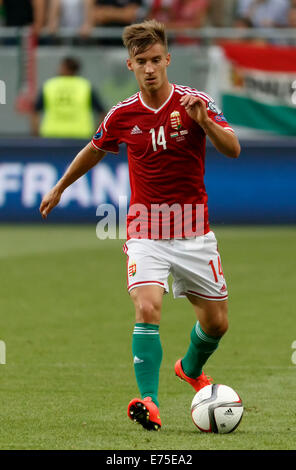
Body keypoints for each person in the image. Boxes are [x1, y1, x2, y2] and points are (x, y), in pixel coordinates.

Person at [39, 20, 240, 431]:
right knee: (147, 307)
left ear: (168, 59)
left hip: (193, 231)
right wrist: (60, 186)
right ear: (130, 65)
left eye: (155, 60)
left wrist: (204, 123)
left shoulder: (194, 102)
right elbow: (94, 150)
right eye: (140, 62)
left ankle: (189, 367)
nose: (149, 68)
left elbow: (233, 149)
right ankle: (148, 401)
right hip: (145, 230)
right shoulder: (122, 115)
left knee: (217, 323)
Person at [31, 56, 106, 138]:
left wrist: (36, 134)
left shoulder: (49, 85)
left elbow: (35, 112)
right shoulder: (85, 86)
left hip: (52, 134)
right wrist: (97, 136)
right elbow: (102, 113)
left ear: (63, 67)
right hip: (81, 135)